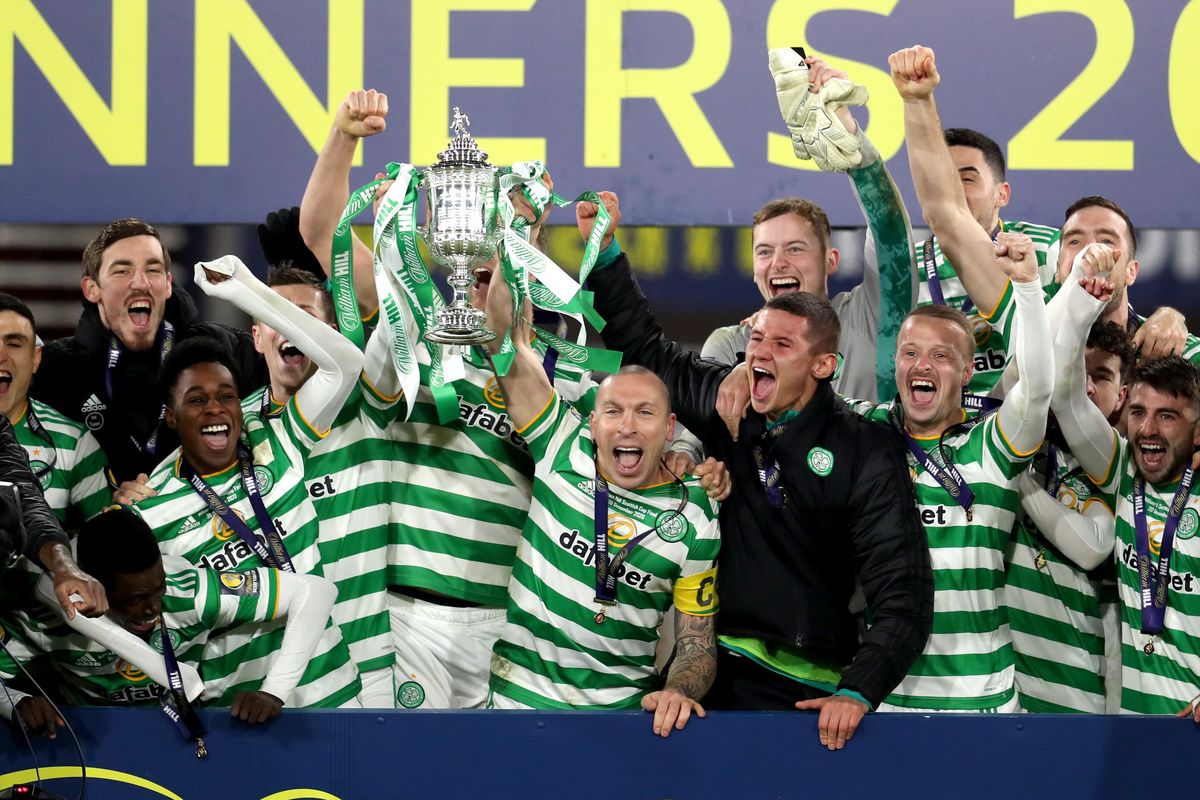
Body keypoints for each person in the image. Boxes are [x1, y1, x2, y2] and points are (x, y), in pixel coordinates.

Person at [583, 194, 932, 749]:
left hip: (818, 694)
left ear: (823, 365)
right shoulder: (730, 404)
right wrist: (604, 256)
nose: (759, 354)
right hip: (717, 679)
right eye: (758, 340)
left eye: (782, 345)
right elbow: (646, 346)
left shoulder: (866, 446)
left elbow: (905, 591)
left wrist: (859, 689)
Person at [483, 267, 721, 736]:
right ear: (592, 423)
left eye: (644, 413)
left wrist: (679, 691)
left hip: (620, 721)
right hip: (516, 704)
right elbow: (500, 335)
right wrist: (509, 230)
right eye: (613, 411)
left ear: (670, 429)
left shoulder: (695, 514)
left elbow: (698, 643)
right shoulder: (560, 444)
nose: (627, 426)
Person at [130, 255, 363, 708]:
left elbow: (345, 364)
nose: (216, 409)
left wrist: (243, 290)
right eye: (197, 400)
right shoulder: (150, 507)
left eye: (227, 396)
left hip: (334, 694)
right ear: (172, 418)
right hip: (238, 711)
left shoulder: (278, 438)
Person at [0, 507, 338, 736]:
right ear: (90, 583)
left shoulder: (188, 591)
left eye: (157, 591)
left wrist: (274, 691)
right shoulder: (46, 620)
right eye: (134, 599)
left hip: (183, 738)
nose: (153, 608)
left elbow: (315, 591)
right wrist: (16, 703)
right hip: (98, 744)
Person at [699, 51, 916, 404]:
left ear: (831, 260)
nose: (778, 263)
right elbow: (696, 438)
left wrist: (853, 144)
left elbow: (890, 234)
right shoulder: (731, 347)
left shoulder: (868, 318)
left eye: (795, 249)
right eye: (765, 251)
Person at [240, 264, 402, 707]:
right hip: (272, 675)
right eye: (276, 317)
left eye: (305, 317)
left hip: (367, 668)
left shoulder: (366, 403)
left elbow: (398, 321)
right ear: (257, 338)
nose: (291, 327)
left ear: (329, 333)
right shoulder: (230, 429)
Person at [1046, 254, 1200, 718]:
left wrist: (1173, 318)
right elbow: (1069, 398)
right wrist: (1075, 297)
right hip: (1137, 730)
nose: (1148, 430)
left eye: (1167, 417)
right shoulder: (1120, 472)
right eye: (1138, 414)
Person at [31, 219, 267, 486]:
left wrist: (282, 285)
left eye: (152, 270)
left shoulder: (220, 349)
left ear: (167, 284)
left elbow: (299, 374)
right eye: (122, 271)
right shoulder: (55, 370)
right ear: (92, 289)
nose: (140, 283)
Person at [1005, 320, 1132, 713]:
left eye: (1102, 376)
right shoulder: (1020, 442)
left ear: (1122, 395)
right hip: (1008, 691)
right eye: (1077, 372)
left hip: (1080, 691)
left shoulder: (1121, 466)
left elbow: (1095, 547)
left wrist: (1014, 478)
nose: (1086, 387)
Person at [0, 293, 110, 531]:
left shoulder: (75, 441)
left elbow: (107, 546)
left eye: (14, 344)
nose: (1, 357)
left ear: (35, 359)